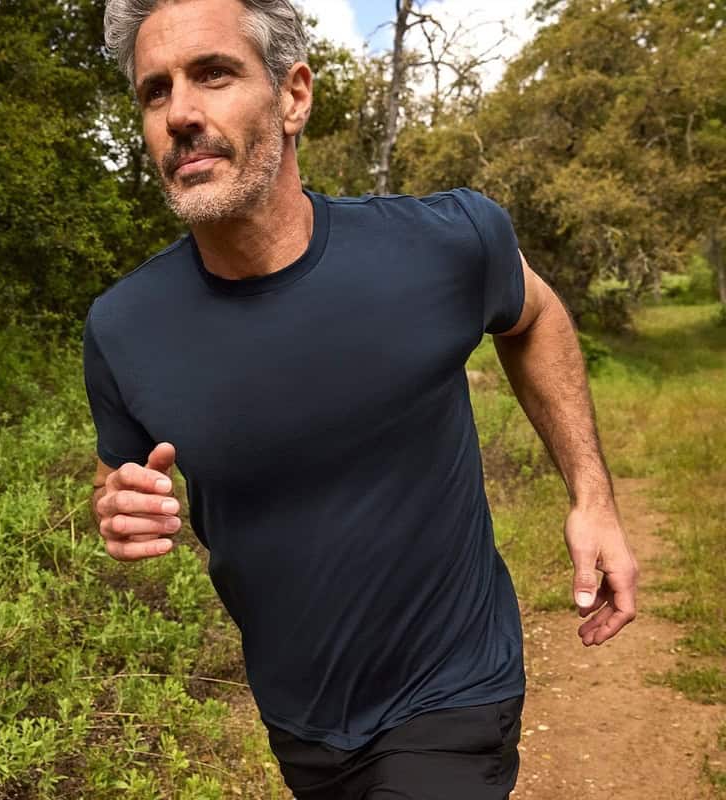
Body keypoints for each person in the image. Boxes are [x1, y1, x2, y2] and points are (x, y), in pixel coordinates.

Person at [84, 1, 639, 797]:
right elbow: (116, 473)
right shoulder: (123, 327)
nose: (180, 113)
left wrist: (593, 496)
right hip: (301, 716)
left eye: (213, 74)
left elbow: (536, 313)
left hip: (454, 690)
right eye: (154, 90)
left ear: (294, 96)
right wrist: (118, 504)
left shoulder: (442, 244)